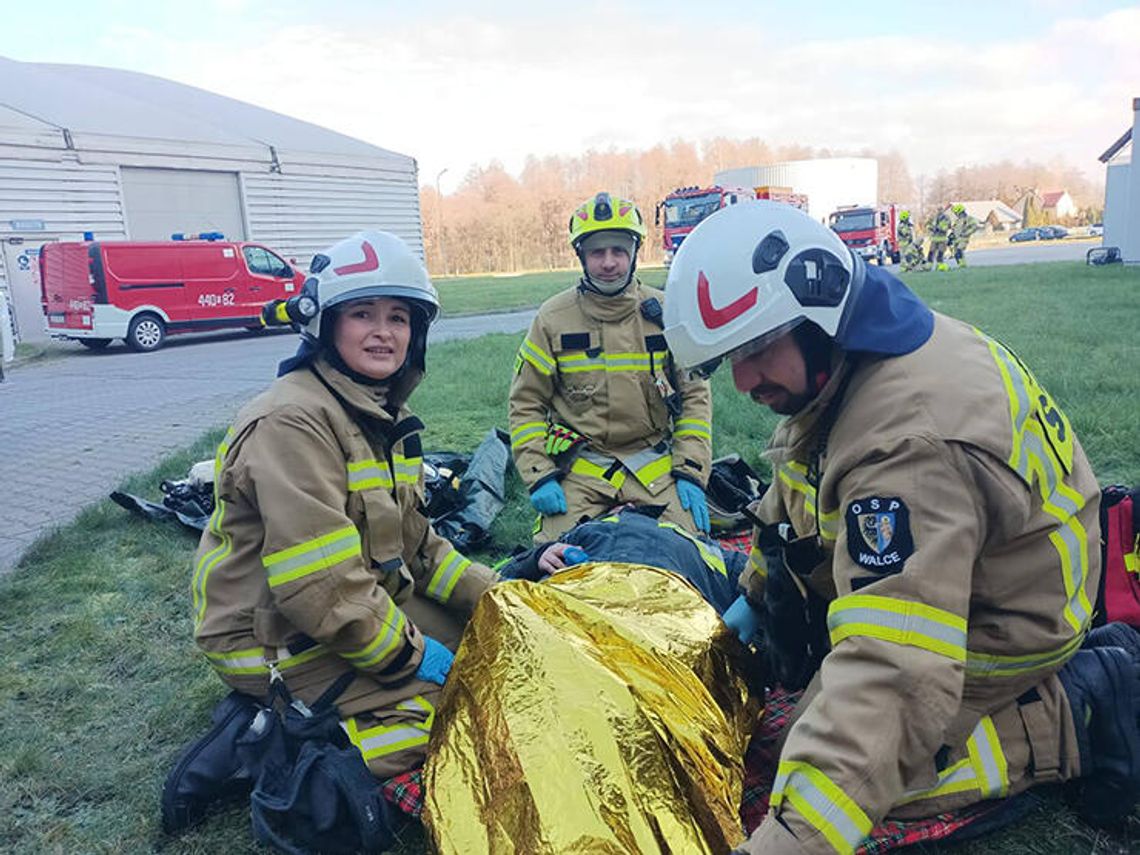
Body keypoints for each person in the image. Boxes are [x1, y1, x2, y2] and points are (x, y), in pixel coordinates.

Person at [662, 201, 1140, 854]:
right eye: (728, 359)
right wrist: (756, 593)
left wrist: (791, 838)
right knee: (819, 729)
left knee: (851, 772)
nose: (745, 379)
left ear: (818, 304)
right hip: (975, 573)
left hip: (1006, 618)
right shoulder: (847, 361)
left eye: (755, 347)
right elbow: (796, 485)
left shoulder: (905, 445)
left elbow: (898, 671)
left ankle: (1071, 716)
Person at [189, 231, 496, 782]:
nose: (383, 332)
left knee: (491, 652)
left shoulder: (379, 414)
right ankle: (270, 750)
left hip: (350, 608)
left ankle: (332, 705)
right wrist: (411, 659)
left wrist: (495, 600)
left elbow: (418, 548)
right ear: (326, 325)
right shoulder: (292, 422)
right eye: (362, 314)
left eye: (399, 317)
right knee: (457, 709)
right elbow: (320, 584)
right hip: (270, 635)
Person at [508, 191, 713, 541]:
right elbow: (525, 404)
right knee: (553, 555)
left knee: (691, 548)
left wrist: (690, 470)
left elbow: (695, 399)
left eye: (618, 250)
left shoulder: (667, 312)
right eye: (597, 252)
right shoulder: (552, 319)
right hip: (582, 466)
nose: (608, 262)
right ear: (581, 256)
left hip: (654, 465)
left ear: (634, 253)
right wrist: (539, 474)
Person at [950, 202, 979, 268]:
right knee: (956, 254)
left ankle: (962, 265)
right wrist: (951, 237)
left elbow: (975, 227)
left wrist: (966, 233)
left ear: (960, 211)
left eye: (956, 213)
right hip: (956, 240)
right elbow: (954, 230)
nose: (955, 214)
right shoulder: (957, 221)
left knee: (959, 251)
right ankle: (962, 266)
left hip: (963, 239)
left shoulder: (968, 218)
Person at [925, 205, 953, 270]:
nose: (939, 211)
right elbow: (927, 224)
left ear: (943, 210)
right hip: (934, 238)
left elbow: (946, 227)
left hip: (942, 238)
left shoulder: (946, 217)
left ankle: (939, 266)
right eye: (938, 210)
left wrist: (939, 228)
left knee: (940, 253)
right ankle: (928, 266)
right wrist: (930, 228)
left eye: (940, 209)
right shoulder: (933, 217)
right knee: (931, 252)